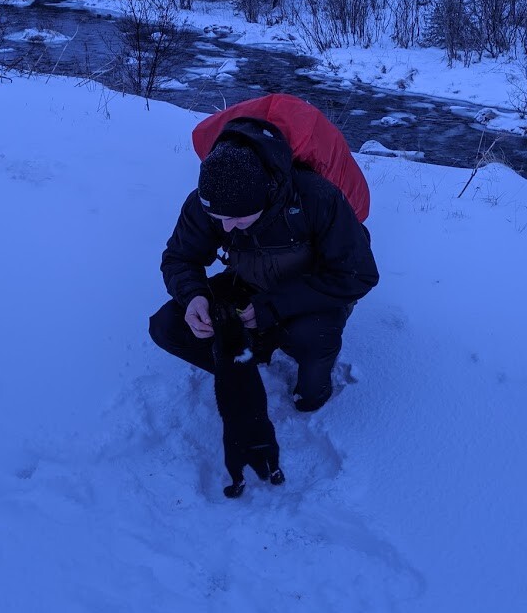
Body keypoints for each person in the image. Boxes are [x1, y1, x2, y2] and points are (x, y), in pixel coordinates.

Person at [148, 114, 379, 412]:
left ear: (266, 197)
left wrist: (273, 306)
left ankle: (314, 393)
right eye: (220, 220)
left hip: (311, 296)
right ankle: (243, 367)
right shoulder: (208, 202)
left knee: (313, 341)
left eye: (238, 219)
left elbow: (358, 274)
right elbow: (179, 258)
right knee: (167, 325)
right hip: (249, 284)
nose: (227, 228)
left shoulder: (318, 198)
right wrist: (193, 295)